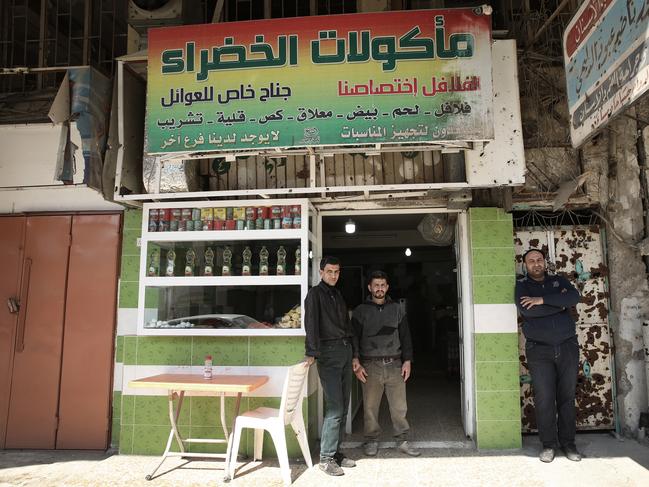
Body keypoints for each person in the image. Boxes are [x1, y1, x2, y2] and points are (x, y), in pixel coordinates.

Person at [516, 248, 582, 463]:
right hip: (539, 349)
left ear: (545, 262)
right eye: (531, 261)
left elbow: (574, 297)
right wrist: (559, 304)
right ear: (525, 265)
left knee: (566, 396)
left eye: (539, 260)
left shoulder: (559, 281)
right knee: (544, 398)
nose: (536, 264)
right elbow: (528, 311)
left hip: (567, 346)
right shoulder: (522, 286)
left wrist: (542, 301)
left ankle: (568, 443)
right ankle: (548, 445)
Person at [351, 270, 420, 457]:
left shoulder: (396, 309)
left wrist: (407, 361)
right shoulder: (360, 311)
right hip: (370, 366)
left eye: (382, 285)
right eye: (376, 285)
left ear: (387, 287)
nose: (379, 288)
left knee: (399, 407)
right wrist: (356, 359)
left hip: (395, 365)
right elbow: (354, 337)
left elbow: (406, 336)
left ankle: (402, 440)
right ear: (369, 287)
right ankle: (371, 441)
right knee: (370, 407)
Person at [304, 256, 356, 476]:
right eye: (330, 272)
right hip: (328, 353)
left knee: (343, 405)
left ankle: (336, 453)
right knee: (334, 407)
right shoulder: (315, 295)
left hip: (344, 351)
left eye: (336, 272)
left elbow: (346, 324)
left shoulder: (337, 294)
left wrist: (354, 354)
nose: (333, 275)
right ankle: (325, 458)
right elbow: (311, 325)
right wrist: (312, 353)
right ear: (321, 272)